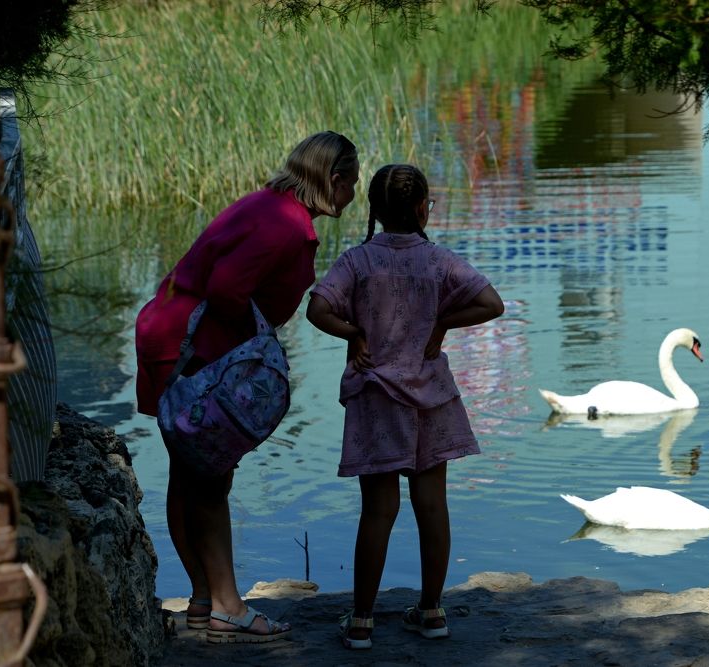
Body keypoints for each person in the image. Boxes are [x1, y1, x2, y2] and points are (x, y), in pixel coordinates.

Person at [135, 131, 359, 643]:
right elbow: (227, 289)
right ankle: (228, 607)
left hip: (169, 330)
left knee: (189, 473)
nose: (353, 195)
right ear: (336, 180)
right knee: (210, 478)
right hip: (195, 346)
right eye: (352, 183)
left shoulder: (267, 205)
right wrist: (249, 356)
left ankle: (202, 598)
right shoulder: (286, 227)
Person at [307, 164, 504, 650]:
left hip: (376, 396)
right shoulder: (439, 261)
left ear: (372, 209)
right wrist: (441, 324)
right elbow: (492, 304)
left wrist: (353, 333)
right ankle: (432, 611)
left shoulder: (356, 262)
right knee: (432, 504)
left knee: (378, 510)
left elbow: (317, 309)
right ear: (422, 209)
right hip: (431, 398)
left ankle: (361, 621)